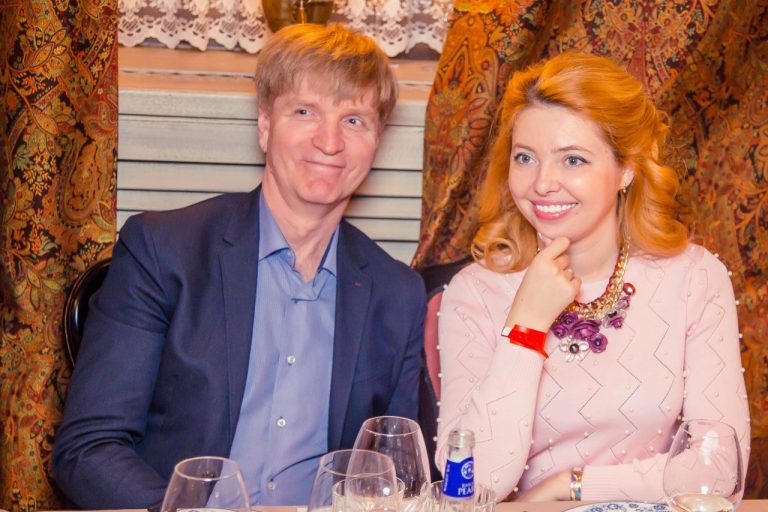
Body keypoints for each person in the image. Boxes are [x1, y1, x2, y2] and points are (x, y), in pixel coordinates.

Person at [52, 23, 426, 509]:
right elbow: (88, 450)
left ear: (376, 141)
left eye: (354, 120)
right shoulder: (164, 251)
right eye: (305, 111)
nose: (330, 141)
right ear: (265, 126)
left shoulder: (398, 294)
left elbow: (396, 475)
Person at [435, 53, 750, 503]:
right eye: (525, 157)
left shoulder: (695, 278)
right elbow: (470, 487)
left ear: (627, 169)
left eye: (573, 160)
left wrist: (570, 486)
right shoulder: (475, 291)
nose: (542, 183)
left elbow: (718, 470)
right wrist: (525, 326)